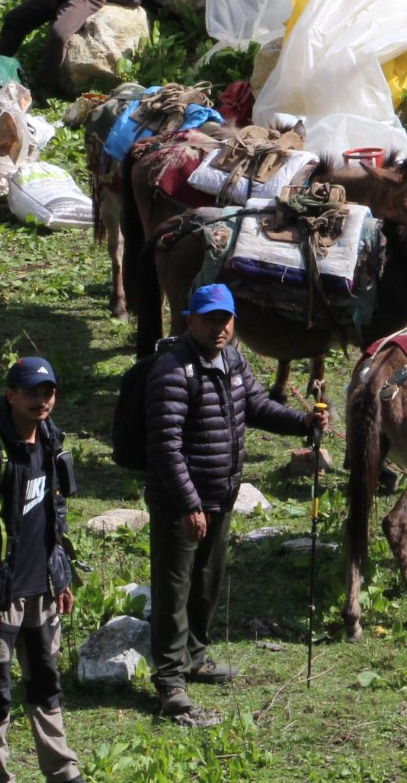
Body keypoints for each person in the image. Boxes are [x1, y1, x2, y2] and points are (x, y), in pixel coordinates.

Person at [144, 284, 323, 727]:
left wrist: (302, 422)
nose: (219, 327)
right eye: (209, 319)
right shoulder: (173, 369)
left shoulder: (232, 360)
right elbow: (165, 446)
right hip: (180, 503)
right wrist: (189, 504)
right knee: (174, 589)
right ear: (190, 321)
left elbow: (256, 406)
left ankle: (195, 657)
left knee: (206, 581)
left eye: (225, 319)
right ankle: (169, 681)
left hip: (220, 497)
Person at [0, 357, 84, 783]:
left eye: (47, 392)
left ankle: (62, 772)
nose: (41, 400)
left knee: (46, 686)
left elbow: (54, 514)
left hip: (41, 594)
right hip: (0, 599)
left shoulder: (50, 440)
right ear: (10, 395)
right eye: (31, 392)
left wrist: (60, 575)